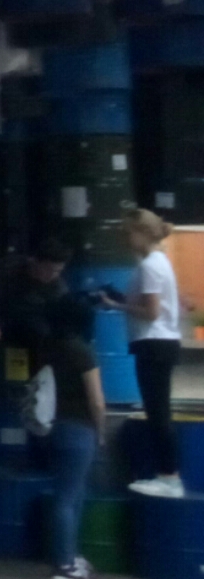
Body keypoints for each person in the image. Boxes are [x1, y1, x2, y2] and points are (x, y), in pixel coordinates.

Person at [105, 210, 186, 498]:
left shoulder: (150, 266)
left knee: (157, 412)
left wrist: (117, 306)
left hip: (153, 343)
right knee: (158, 410)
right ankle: (168, 474)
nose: (126, 240)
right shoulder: (161, 261)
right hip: (164, 342)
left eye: (129, 233)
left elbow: (151, 312)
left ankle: (169, 476)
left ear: (142, 233)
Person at [45, 318, 109, 579]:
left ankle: (69, 554)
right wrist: (101, 431)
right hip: (80, 427)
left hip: (54, 425)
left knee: (69, 494)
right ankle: (66, 564)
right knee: (70, 498)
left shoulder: (49, 347)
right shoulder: (82, 352)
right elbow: (96, 400)